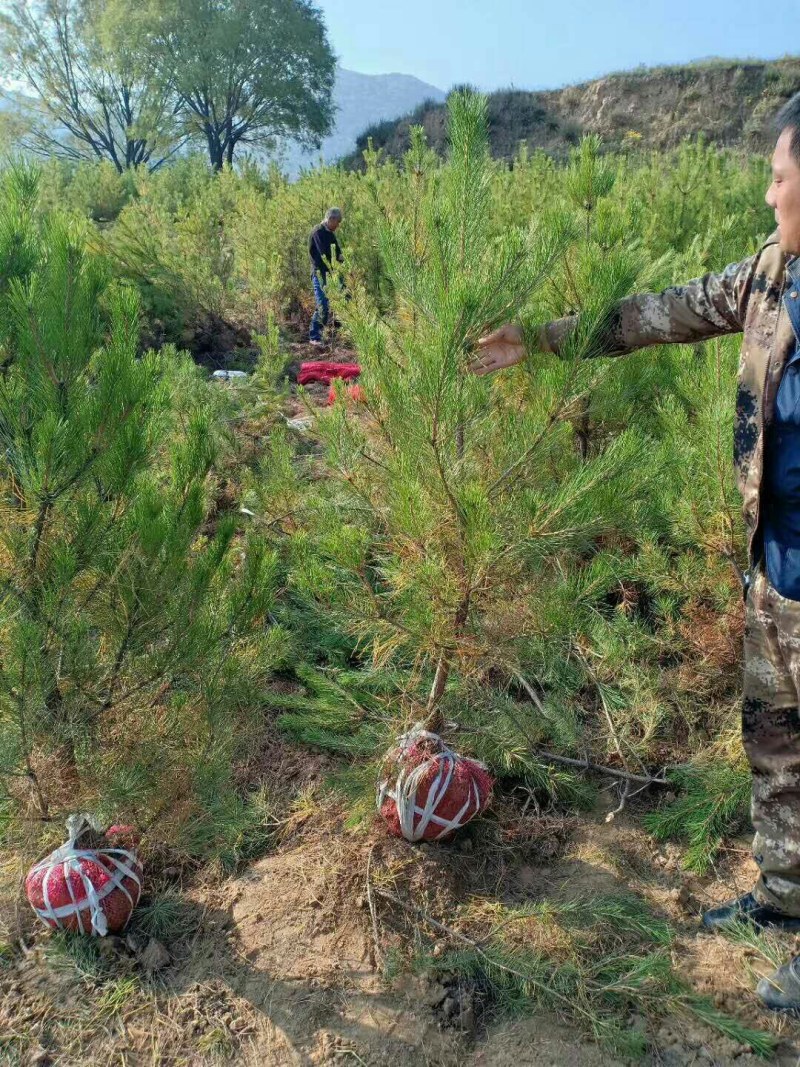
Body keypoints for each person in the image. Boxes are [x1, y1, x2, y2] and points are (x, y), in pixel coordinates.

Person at [471, 91, 800, 1016]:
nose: (768, 194)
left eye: (778, 176)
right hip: (775, 569)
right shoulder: (770, 276)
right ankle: (782, 900)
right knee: (776, 746)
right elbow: (650, 315)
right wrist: (536, 340)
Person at [308, 207, 344, 346]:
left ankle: (340, 334)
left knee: (345, 299)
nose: (338, 225)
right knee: (322, 304)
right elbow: (326, 254)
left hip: (332, 274)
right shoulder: (318, 232)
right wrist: (339, 259)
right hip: (319, 274)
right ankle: (315, 337)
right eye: (338, 222)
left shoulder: (330, 233)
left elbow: (338, 253)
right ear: (331, 219)